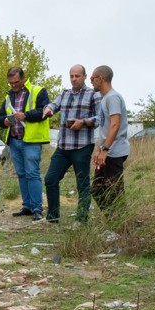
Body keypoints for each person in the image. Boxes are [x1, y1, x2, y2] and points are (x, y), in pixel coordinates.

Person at [40, 64, 99, 223]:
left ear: (85, 76)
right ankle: (53, 217)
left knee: (82, 184)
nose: (74, 79)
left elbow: (101, 118)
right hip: (63, 146)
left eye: (77, 76)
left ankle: (81, 220)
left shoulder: (93, 94)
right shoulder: (64, 93)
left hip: (82, 146)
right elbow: (53, 104)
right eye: (71, 76)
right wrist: (48, 109)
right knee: (50, 179)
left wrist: (83, 122)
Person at [0, 66, 51, 220]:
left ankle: (36, 208)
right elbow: (0, 117)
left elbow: (44, 111)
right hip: (14, 140)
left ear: (23, 78)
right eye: (11, 83)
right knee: (21, 174)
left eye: (16, 82)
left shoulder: (38, 91)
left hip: (31, 141)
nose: (14, 86)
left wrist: (25, 115)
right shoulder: (8, 97)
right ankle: (27, 206)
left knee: (32, 173)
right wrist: (5, 121)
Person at [90, 65, 129, 210]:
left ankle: (121, 230)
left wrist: (105, 149)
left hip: (114, 152)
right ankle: (114, 224)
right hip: (106, 152)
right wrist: (100, 150)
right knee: (97, 190)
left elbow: (115, 125)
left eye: (92, 78)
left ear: (101, 78)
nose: (91, 82)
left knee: (115, 193)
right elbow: (105, 128)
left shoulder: (113, 97)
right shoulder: (105, 98)